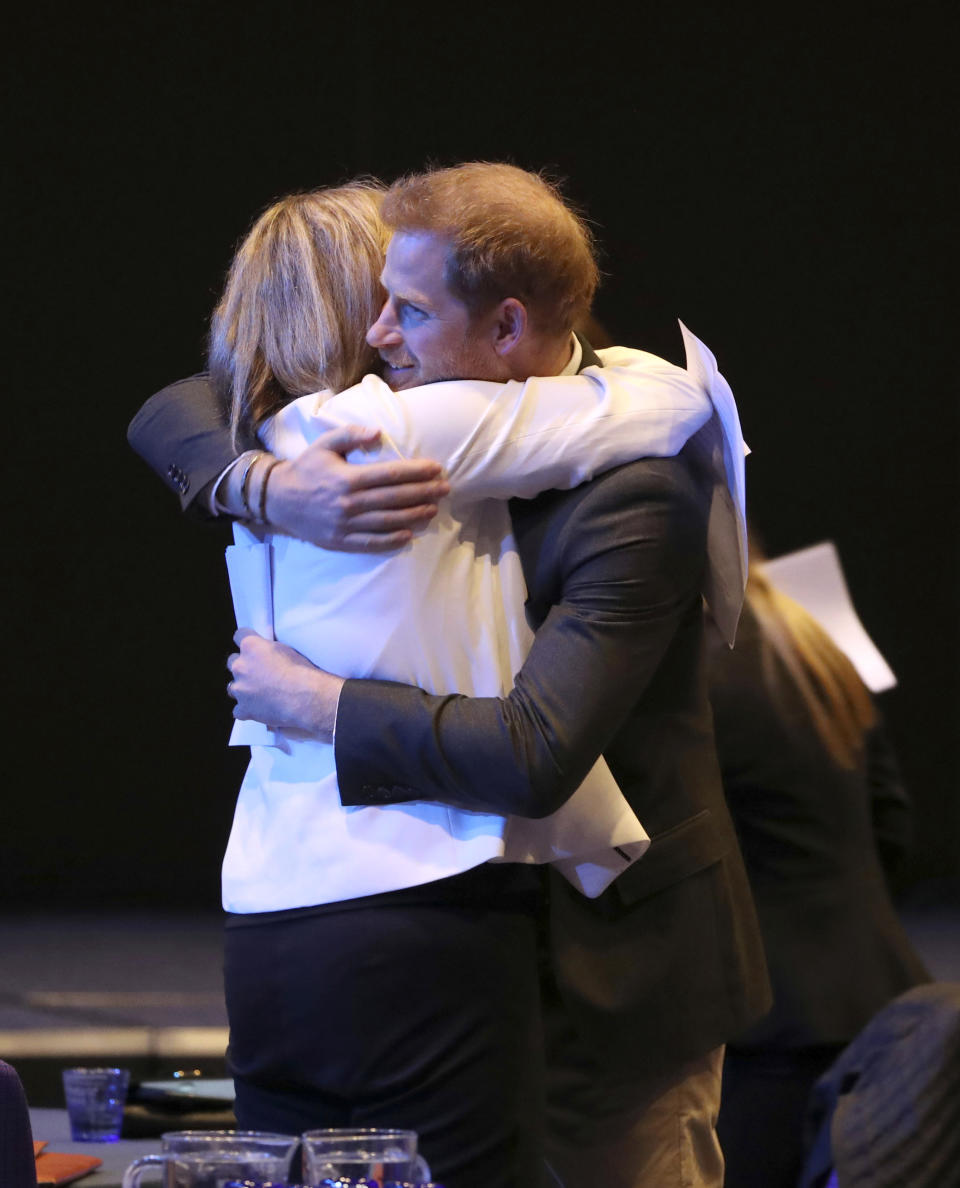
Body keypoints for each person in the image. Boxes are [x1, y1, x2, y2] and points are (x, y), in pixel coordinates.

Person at [130, 168, 735, 1188]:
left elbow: (535, 751)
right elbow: (175, 408)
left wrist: (318, 704)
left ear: (502, 326)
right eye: (375, 305)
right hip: (447, 922)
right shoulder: (367, 435)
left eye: (407, 308)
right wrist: (263, 482)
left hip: (607, 966)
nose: (383, 338)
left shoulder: (619, 475)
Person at [706, 556, 930, 1188]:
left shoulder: (697, 661)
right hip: (882, 996)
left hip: (770, 1022)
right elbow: (892, 821)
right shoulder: (813, 634)